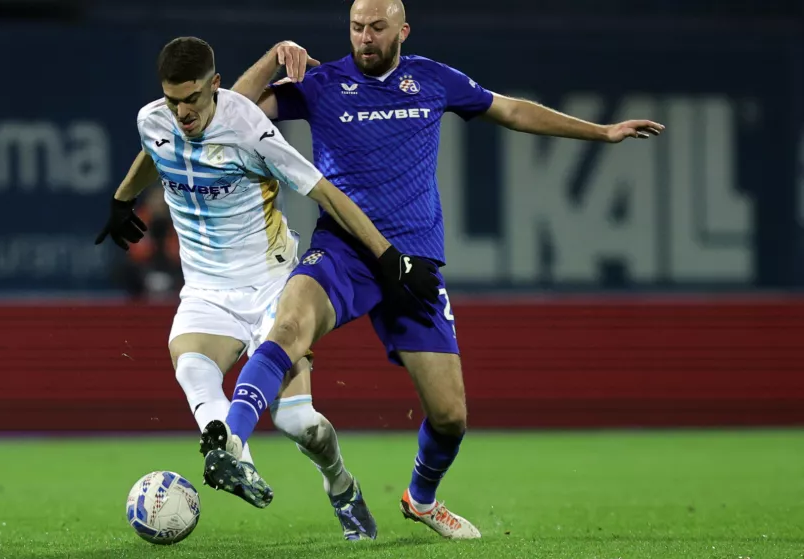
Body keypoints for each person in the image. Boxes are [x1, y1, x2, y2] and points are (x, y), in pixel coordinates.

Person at [200, 0, 665, 541]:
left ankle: (421, 499)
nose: (365, 38)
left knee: (450, 417)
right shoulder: (321, 83)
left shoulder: (433, 80)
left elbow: (512, 111)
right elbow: (228, 115)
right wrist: (273, 57)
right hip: (344, 252)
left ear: (403, 30)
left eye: (376, 28)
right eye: (355, 28)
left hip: (412, 266)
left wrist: (602, 133)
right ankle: (231, 442)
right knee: (287, 326)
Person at [94, 36, 435, 540]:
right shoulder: (155, 118)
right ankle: (236, 458)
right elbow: (153, 148)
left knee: (301, 425)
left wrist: (386, 255)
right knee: (190, 363)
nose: (183, 113)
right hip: (207, 289)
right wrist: (123, 199)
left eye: (193, 100)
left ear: (215, 86)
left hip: (272, 286)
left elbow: (324, 190)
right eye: (173, 101)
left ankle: (340, 485)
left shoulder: (250, 129)